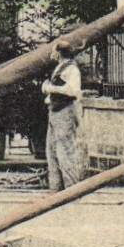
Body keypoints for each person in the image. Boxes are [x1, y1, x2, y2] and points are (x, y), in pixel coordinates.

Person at [41, 40, 83, 191]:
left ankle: (71, 188)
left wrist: (50, 88)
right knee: (51, 150)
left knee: (65, 150)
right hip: (54, 111)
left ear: (58, 53)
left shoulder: (72, 69)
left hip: (65, 112)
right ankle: (56, 188)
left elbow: (73, 91)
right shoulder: (59, 68)